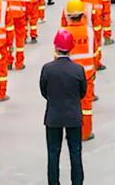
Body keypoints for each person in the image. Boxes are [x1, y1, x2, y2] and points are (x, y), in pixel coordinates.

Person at [40, 28, 87, 185]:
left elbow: (44, 91)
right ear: (71, 47)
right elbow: (82, 92)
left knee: (53, 153)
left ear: (55, 47)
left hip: (53, 116)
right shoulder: (78, 69)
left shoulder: (47, 69)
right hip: (73, 115)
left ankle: (54, 182)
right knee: (75, 152)